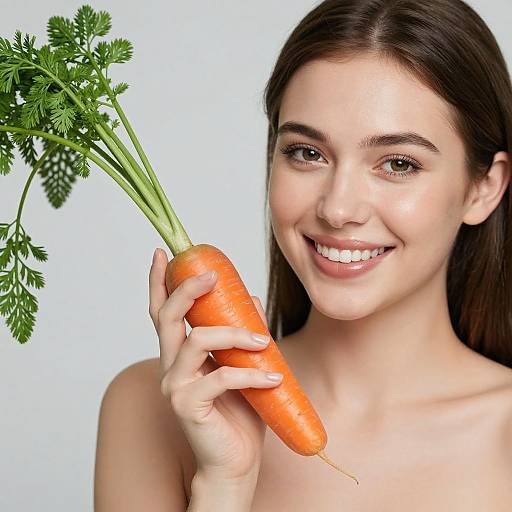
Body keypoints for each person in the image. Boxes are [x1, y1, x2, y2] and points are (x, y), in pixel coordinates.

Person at [94, 0, 512, 510]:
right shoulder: (149, 408)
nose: (338, 209)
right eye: (307, 153)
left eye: (398, 163)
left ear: (484, 188)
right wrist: (226, 483)